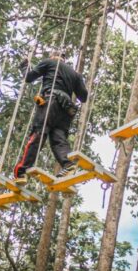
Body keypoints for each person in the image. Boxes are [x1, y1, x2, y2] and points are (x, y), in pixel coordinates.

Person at [14, 51, 88, 184]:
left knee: (38, 133)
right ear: (64, 59)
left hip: (51, 101)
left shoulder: (49, 62)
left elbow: (29, 77)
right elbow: (84, 97)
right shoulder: (75, 74)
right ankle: (68, 164)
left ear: (52, 57)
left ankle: (22, 171)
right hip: (66, 109)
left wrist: (24, 66)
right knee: (58, 138)